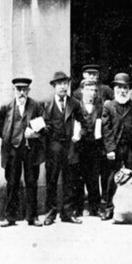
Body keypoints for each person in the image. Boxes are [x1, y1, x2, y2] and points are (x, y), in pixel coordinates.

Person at [0, 77, 46, 227]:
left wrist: (35, 135)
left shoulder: (36, 106)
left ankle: (32, 217)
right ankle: (10, 217)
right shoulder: (6, 107)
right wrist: (10, 139)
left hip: (31, 150)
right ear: (14, 91)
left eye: (25, 90)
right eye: (19, 90)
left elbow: (44, 128)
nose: (22, 93)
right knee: (12, 183)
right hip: (13, 151)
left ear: (29, 90)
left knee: (32, 182)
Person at [100, 73, 132, 221]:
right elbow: (106, 129)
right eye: (119, 87)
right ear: (114, 89)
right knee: (111, 178)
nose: (122, 91)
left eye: (125, 88)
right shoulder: (109, 106)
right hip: (114, 148)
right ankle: (109, 208)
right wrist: (110, 149)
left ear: (129, 89)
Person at [42, 71, 86, 225]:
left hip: (70, 146)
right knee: (52, 180)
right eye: (59, 84)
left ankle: (67, 213)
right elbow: (42, 125)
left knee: (69, 180)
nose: (63, 87)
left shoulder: (74, 103)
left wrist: (79, 133)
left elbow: (83, 124)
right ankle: (50, 213)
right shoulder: (46, 103)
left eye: (65, 84)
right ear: (54, 86)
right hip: (53, 146)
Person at [73, 79, 103, 217]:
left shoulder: (100, 107)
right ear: (82, 90)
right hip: (79, 147)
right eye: (88, 89)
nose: (91, 92)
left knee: (94, 177)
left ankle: (94, 208)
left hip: (94, 147)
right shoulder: (76, 106)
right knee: (79, 178)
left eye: (94, 90)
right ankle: (78, 208)